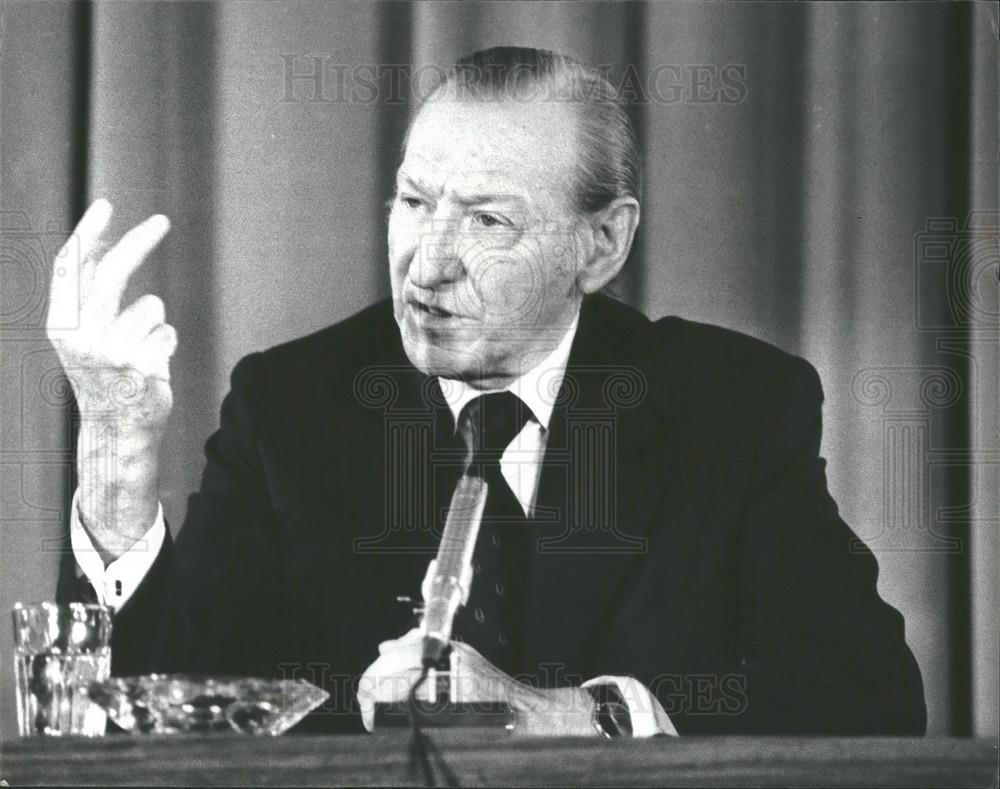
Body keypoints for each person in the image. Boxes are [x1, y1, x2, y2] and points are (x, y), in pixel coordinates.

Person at [48, 47, 926, 737]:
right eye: (414, 200)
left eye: (487, 219)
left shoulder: (730, 405)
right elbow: (159, 711)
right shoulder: (290, 404)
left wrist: (576, 716)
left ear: (603, 244)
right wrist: (117, 459)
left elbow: (870, 692)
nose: (427, 264)